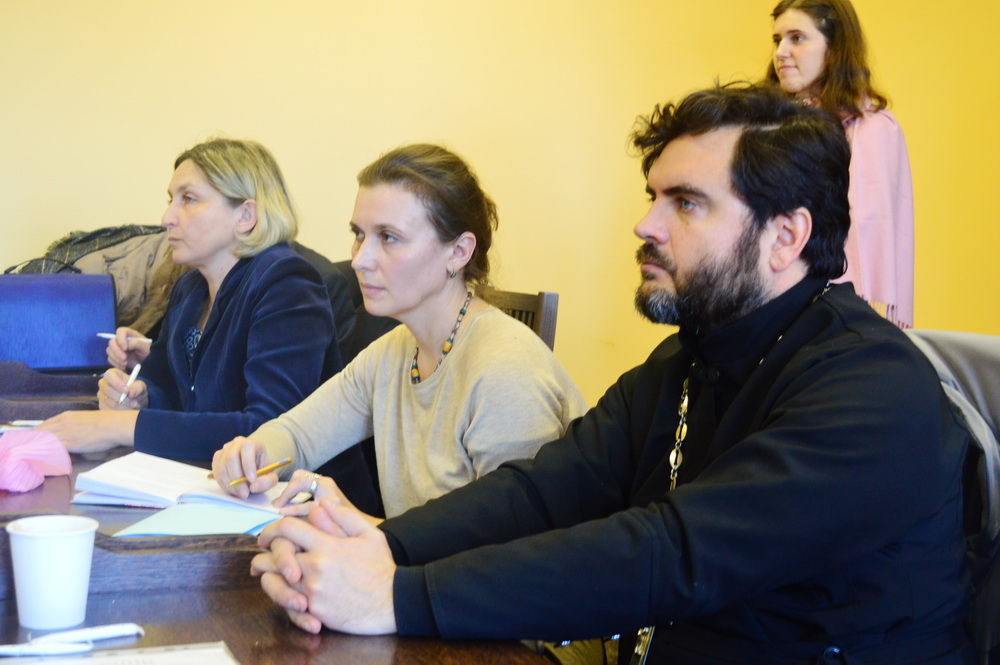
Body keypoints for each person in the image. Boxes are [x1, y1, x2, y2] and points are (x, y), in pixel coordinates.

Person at [249, 85, 976, 665]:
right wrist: (387, 547)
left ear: (785, 236)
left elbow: (673, 552)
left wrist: (397, 597)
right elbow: (544, 490)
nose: (646, 225)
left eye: (685, 203)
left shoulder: (873, 388)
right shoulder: (685, 360)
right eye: (653, 197)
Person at [211, 144, 587, 519]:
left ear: (458, 252)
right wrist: (250, 454)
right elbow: (298, 435)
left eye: (388, 237)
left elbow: (505, 543)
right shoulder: (394, 351)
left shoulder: (508, 371)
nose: (359, 259)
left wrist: (358, 526)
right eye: (359, 234)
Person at [38, 139, 340, 459]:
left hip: (297, 487)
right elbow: (173, 392)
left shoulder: (287, 283)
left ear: (245, 215)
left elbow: (269, 431)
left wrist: (120, 425)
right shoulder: (190, 287)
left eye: (189, 199)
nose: (167, 217)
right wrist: (139, 397)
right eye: (171, 200)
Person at [767, 0, 914, 329]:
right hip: (765, 295)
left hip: (835, 308)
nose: (781, 52)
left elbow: (869, 234)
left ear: (834, 49)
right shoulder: (767, 125)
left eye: (797, 38)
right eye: (777, 40)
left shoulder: (874, 130)